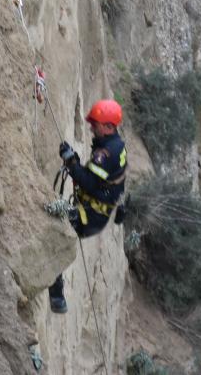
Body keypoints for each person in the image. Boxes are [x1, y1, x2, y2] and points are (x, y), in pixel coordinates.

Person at [48, 98, 127, 314]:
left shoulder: (106, 154)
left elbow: (90, 184)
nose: (91, 127)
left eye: (96, 124)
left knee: (53, 236)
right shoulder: (115, 146)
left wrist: (72, 162)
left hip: (90, 216)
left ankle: (57, 296)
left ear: (109, 126)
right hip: (95, 212)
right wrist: (74, 161)